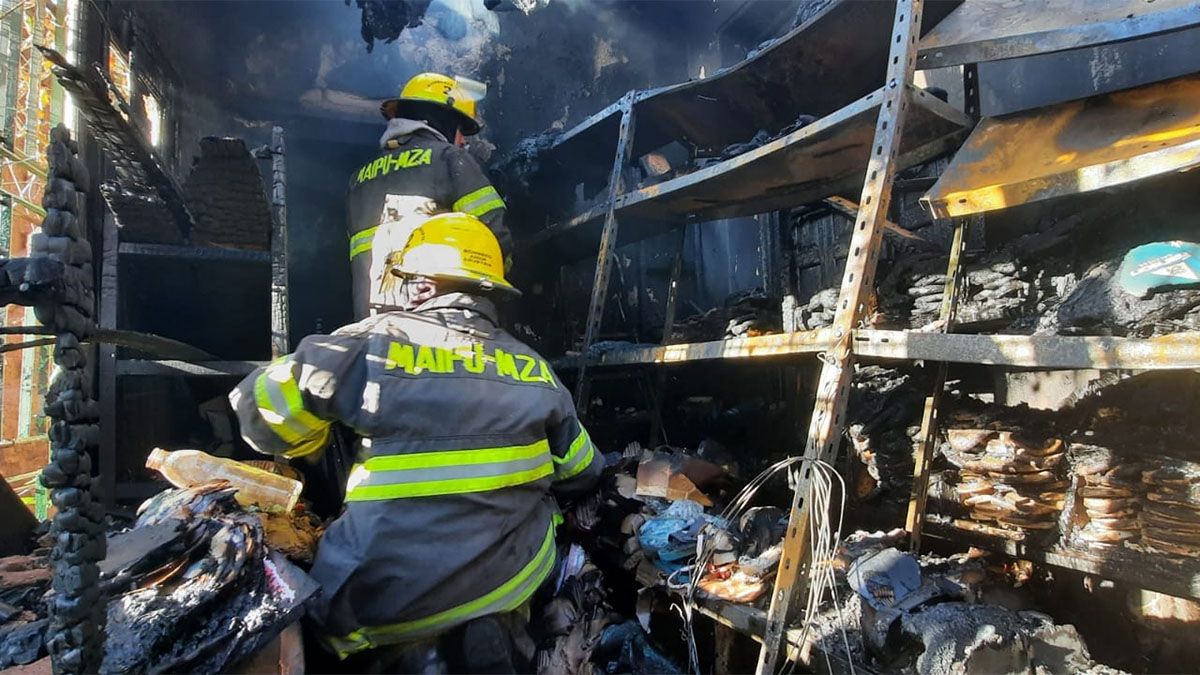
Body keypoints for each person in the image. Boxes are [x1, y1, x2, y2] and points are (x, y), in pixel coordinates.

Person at [229, 213, 600, 672]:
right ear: (490, 291)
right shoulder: (537, 371)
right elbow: (584, 470)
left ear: (421, 285)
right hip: (505, 581)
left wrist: (314, 443)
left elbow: (258, 408)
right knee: (543, 522)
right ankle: (489, 621)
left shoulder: (367, 346)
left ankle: (404, 647)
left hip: (378, 600)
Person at [347, 71, 512, 320]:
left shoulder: (358, 179)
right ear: (440, 119)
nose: (462, 142)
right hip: (439, 319)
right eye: (459, 130)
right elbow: (494, 233)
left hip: (373, 324)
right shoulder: (447, 158)